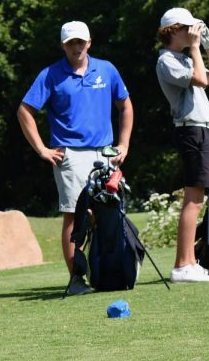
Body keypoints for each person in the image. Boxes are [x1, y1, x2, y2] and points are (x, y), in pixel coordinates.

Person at [17, 20, 134, 294]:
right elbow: (25, 111)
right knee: (74, 216)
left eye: (80, 42)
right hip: (69, 155)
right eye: (70, 43)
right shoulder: (51, 74)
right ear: (63, 45)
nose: (76, 47)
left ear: (89, 43)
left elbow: (125, 105)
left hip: (106, 153)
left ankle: (110, 271)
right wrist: (41, 149)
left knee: (110, 213)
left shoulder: (106, 69)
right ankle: (76, 280)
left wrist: (124, 144)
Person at [155, 7, 209, 283]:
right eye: (187, 28)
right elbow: (199, 80)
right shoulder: (167, 61)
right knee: (193, 200)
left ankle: (187, 263)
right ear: (172, 31)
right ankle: (184, 266)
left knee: (197, 198)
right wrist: (196, 48)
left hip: (201, 130)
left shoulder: (186, 59)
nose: (192, 32)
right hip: (190, 130)